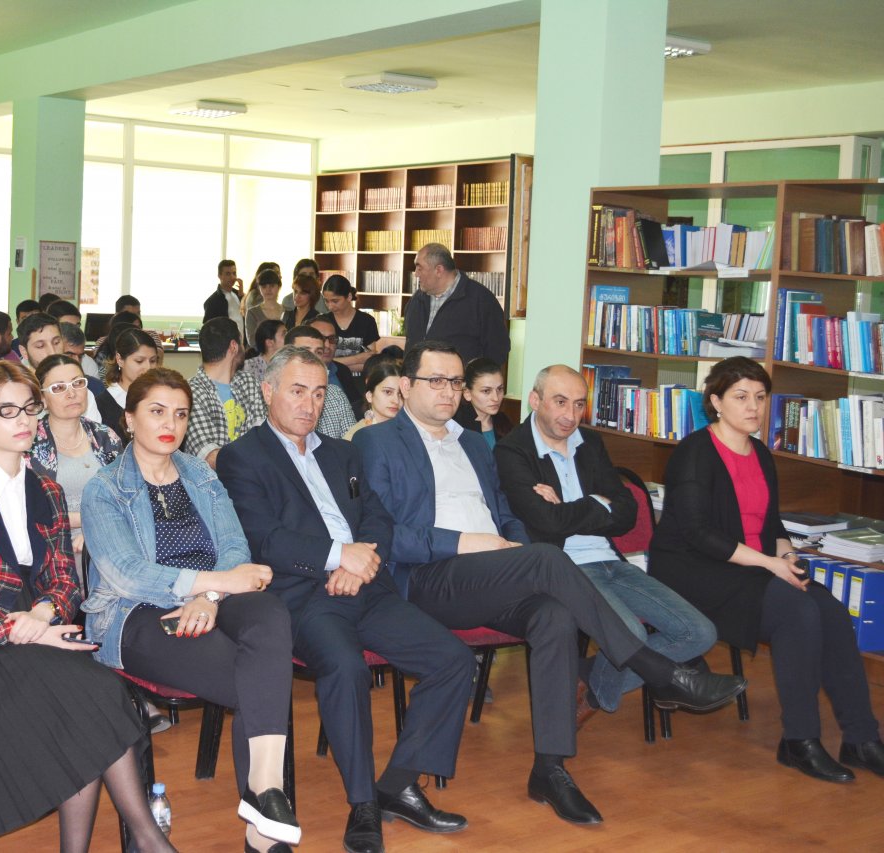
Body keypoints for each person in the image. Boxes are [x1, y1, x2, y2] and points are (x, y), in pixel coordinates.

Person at [352, 342, 748, 825]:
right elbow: (385, 535)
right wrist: (467, 543)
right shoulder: (376, 442)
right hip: (427, 578)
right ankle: (659, 670)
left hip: (493, 574)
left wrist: (511, 547)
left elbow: (507, 516)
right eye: (435, 380)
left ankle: (550, 768)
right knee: (546, 558)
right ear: (406, 385)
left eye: (455, 382)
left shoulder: (473, 443)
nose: (448, 391)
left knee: (555, 616)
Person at [217, 346, 472, 853]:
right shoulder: (243, 457)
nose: (309, 404)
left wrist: (361, 562)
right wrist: (338, 557)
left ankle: (398, 783)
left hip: (366, 587)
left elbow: (377, 517)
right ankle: (363, 803)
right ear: (267, 391)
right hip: (303, 597)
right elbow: (265, 539)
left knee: (454, 660)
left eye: (318, 393)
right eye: (297, 391)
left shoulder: (342, 451)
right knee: (347, 668)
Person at [0, 360, 174, 852]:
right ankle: (147, 839)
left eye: (29, 408)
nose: (24, 420)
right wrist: (19, 629)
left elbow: (64, 580)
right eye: (6, 411)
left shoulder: (47, 491)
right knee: (88, 697)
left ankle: (138, 841)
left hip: (39, 634)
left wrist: (42, 615)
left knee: (96, 694)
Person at [82, 367, 301, 852]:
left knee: (269, 615)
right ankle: (266, 826)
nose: (171, 424)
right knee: (258, 677)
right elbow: (128, 574)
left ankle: (265, 791)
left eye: (181, 415)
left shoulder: (201, 474)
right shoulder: (105, 488)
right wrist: (216, 584)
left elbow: (234, 546)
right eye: (157, 411)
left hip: (212, 599)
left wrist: (210, 597)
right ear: (128, 418)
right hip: (138, 614)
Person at [649, 357, 884, 782]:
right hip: (692, 571)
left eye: (760, 397)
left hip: (749, 565)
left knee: (831, 611)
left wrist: (787, 556)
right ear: (716, 401)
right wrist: (769, 565)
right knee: (798, 611)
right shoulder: (694, 452)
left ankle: (862, 739)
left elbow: (771, 524)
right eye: (741, 397)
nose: (753, 406)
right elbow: (698, 534)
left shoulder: (759, 452)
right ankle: (799, 740)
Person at [495, 365, 719, 725]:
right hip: (563, 567)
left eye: (579, 404)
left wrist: (569, 509)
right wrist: (598, 503)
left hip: (612, 561)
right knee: (630, 633)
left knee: (700, 632)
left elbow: (627, 513)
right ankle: (634, 681)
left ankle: (591, 682)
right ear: (535, 400)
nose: (570, 415)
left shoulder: (590, 443)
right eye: (560, 402)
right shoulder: (512, 451)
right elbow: (547, 523)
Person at [30, 354, 122, 561]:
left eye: (78, 383)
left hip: (109, 543)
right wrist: (89, 521)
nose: (71, 393)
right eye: (58, 388)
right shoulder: (29, 444)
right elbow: (28, 511)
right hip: (50, 551)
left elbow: (126, 498)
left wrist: (96, 531)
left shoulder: (105, 436)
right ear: (42, 399)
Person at [405, 243, 509, 366]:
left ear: (439, 270)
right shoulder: (416, 300)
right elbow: (410, 344)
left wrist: (472, 376)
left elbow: (498, 350)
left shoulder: (482, 300)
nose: (416, 274)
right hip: (418, 377)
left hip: (461, 378)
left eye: (419, 268)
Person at [185, 317, 267, 470]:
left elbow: (263, 436)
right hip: (212, 482)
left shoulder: (249, 382)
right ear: (234, 346)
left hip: (254, 476)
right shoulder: (190, 392)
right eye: (242, 343)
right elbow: (209, 456)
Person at [285, 325, 357, 437]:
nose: (313, 358)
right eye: (305, 352)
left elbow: (352, 440)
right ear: (286, 355)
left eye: (318, 352)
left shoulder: (335, 394)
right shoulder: (277, 393)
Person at [321, 275, 380, 373]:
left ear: (349, 297)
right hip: (331, 379)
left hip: (359, 380)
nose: (330, 306)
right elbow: (320, 361)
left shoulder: (367, 321)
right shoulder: (322, 321)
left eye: (335, 301)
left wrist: (334, 364)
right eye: (326, 301)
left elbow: (370, 362)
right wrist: (357, 359)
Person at [309, 316, 365, 413]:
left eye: (332, 339)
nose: (327, 345)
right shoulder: (294, 375)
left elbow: (357, 408)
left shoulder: (342, 371)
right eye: (321, 338)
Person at [454, 357, 513, 449]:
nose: (496, 398)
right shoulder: (456, 426)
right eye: (486, 391)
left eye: (499, 389)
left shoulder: (504, 422)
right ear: (467, 393)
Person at [343, 359, 402, 440]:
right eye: (388, 392)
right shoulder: (356, 436)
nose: (396, 400)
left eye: (401, 394)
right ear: (370, 396)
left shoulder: (412, 430)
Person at [104, 327, 160, 409]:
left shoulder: (161, 394)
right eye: (139, 361)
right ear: (120, 360)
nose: (148, 368)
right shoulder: (105, 403)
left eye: (152, 361)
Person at [244, 269, 284, 349]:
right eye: (264, 287)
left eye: (272, 286)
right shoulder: (252, 312)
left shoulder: (289, 311)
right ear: (259, 288)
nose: (268, 290)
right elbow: (252, 341)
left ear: (278, 287)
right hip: (260, 354)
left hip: (285, 354)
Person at [241, 319, 287, 384]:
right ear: (269, 343)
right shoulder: (249, 367)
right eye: (284, 334)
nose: (289, 336)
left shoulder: (289, 364)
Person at [204, 258, 244, 326]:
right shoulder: (212, 301)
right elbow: (208, 328)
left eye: (234, 273)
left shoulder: (239, 295)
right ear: (219, 276)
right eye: (228, 274)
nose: (232, 277)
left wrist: (242, 296)